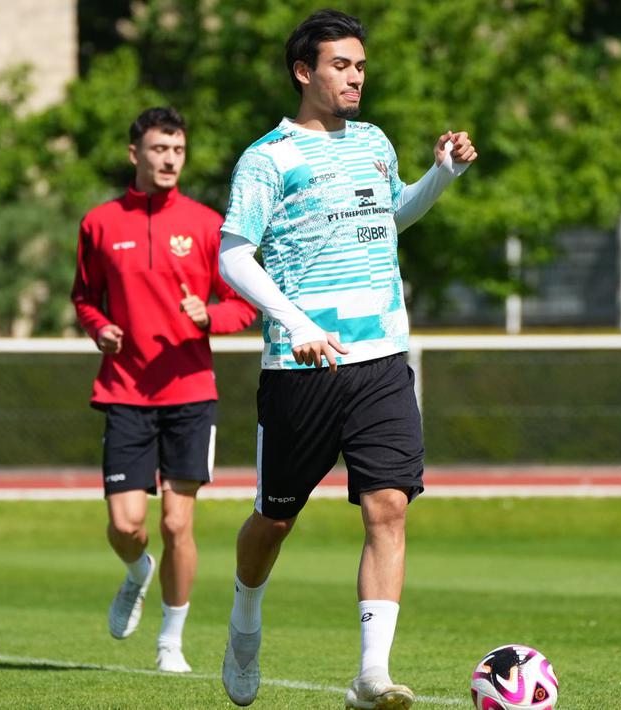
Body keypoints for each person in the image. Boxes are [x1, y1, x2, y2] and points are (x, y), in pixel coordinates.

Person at [214, 9, 477, 709]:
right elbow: (233, 254)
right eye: (340, 65)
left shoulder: (374, 143)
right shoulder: (267, 158)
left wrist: (440, 175)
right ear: (304, 72)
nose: (354, 76)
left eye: (359, 65)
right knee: (273, 521)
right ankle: (244, 620)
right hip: (301, 369)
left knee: (387, 505)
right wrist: (294, 322)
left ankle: (371, 674)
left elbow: (391, 216)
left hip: (383, 358)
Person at [70, 106, 257, 674]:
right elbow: (83, 297)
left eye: (177, 149)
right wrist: (99, 328)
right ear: (136, 154)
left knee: (179, 522)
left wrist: (209, 317)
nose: (169, 159)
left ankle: (170, 642)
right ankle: (135, 572)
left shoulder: (207, 224)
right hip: (125, 392)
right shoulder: (100, 224)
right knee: (127, 525)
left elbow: (245, 304)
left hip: (189, 392)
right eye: (158, 149)